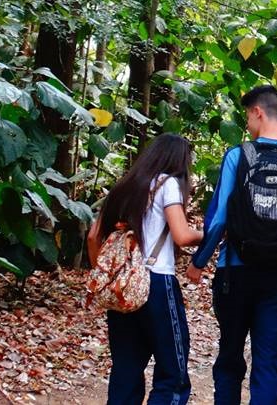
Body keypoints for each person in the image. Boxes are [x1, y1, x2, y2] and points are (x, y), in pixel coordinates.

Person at [187, 85, 277, 403]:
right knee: (268, 363)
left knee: (230, 358)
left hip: (236, 272)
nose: (247, 123)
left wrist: (199, 261)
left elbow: (219, 219)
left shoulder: (239, 156)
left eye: (247, 115)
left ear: (258, 112)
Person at [88, 133, 204, 404]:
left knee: (125, 370)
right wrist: (211, 233)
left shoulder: (125, 186)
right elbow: (182, 236)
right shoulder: (168, 184)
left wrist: (110, 276)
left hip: (123, 288)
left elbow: (93, 236)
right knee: (172, 373)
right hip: (157, 282)